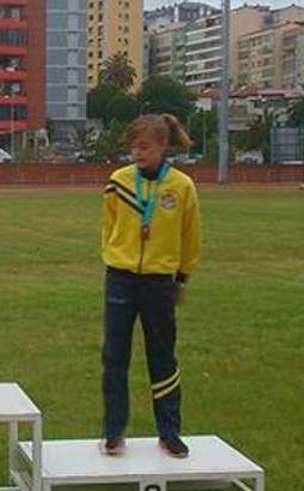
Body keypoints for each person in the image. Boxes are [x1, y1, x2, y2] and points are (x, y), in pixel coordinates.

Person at [100, 114, 202, 458]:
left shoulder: (182, 187)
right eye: (133, 146)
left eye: (144, 146)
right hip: (120, 279)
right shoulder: (118, 181)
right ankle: (113, 431)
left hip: (160, 282)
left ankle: (169, 432)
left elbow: (190, 236)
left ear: (162, 146)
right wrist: (114, 257)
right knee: (115, 357)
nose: (137, 152)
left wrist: (182, 277)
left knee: (163, 357)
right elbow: (109, 225)